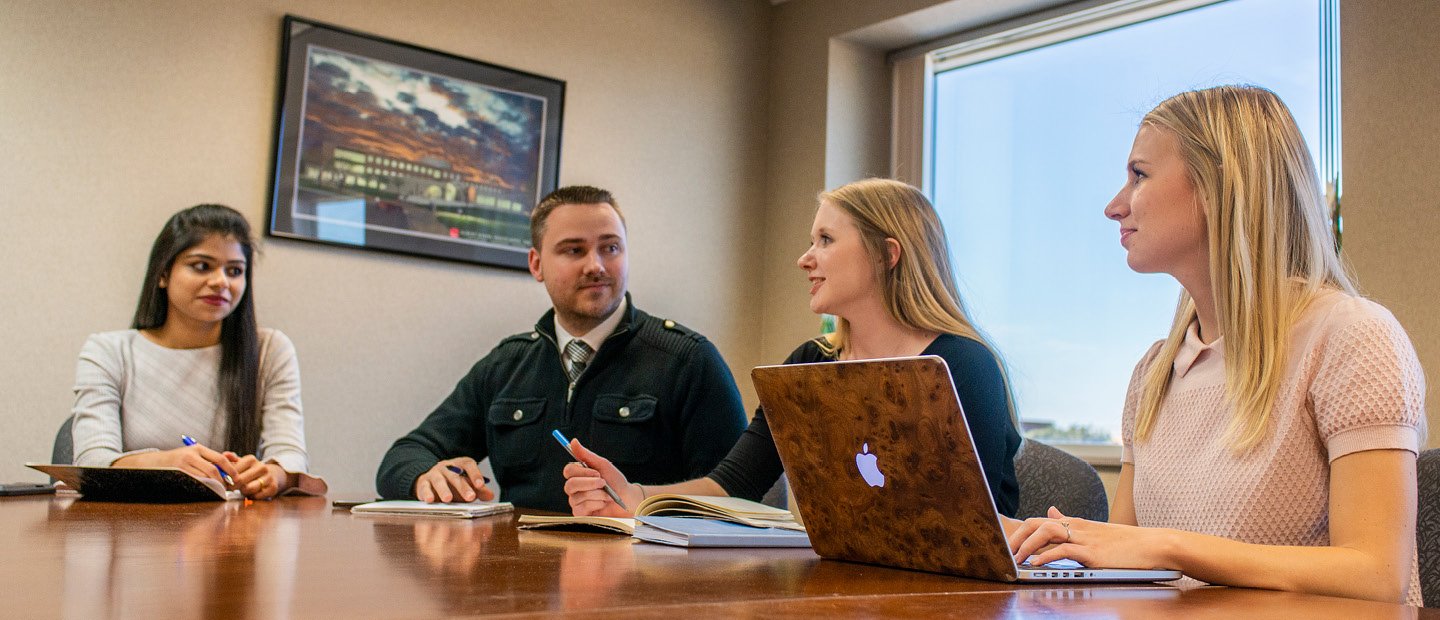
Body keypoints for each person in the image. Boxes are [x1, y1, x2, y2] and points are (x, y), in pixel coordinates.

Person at [1007, 86, 1425, 605]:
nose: (1115, 206)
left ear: (1218, 187)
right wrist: (1039, 546)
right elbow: (1125, 568)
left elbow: (1376, 575)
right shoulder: (1153, 372)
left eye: (1139, 175)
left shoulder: (1352, 336)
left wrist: (1170, 548)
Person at [564, 178, 1022, 517]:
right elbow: (737, 482)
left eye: (825, 240)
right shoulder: (810, 362)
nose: (805, 259)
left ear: (888, 254)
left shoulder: (963, 364)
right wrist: (637, 496)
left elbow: (973, 521)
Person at [376, 185, 748, 512]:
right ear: (536, 264)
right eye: (574, 250)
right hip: (519, 579)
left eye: (611, 248)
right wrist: (427, 476)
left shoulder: (687, 361)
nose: (596, 266)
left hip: (643, 580)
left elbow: (740, 496)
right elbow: (401, 458)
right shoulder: (507, 365)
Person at [71, 204, 323, 499]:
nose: (221, 282)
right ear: (163, 274)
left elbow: (290, 453)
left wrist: (274, 474)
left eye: (235, 271)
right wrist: (165, 463)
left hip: (233, 530)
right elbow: (91, 459)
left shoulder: (270, 349)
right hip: (129, 527)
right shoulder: (109, 351)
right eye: (202, 266)